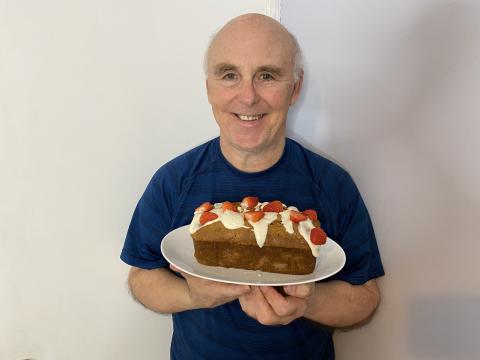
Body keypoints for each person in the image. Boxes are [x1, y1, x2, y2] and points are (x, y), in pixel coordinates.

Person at [120, 13, 384, 360]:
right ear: (208, 88)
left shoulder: (333, 185)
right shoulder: (173, 180)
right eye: (229, 75)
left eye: (267, 75)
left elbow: (365, 297)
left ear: (295, 87)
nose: (247, 97)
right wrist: (193, 296)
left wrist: (308, 302)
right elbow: (142, 277)